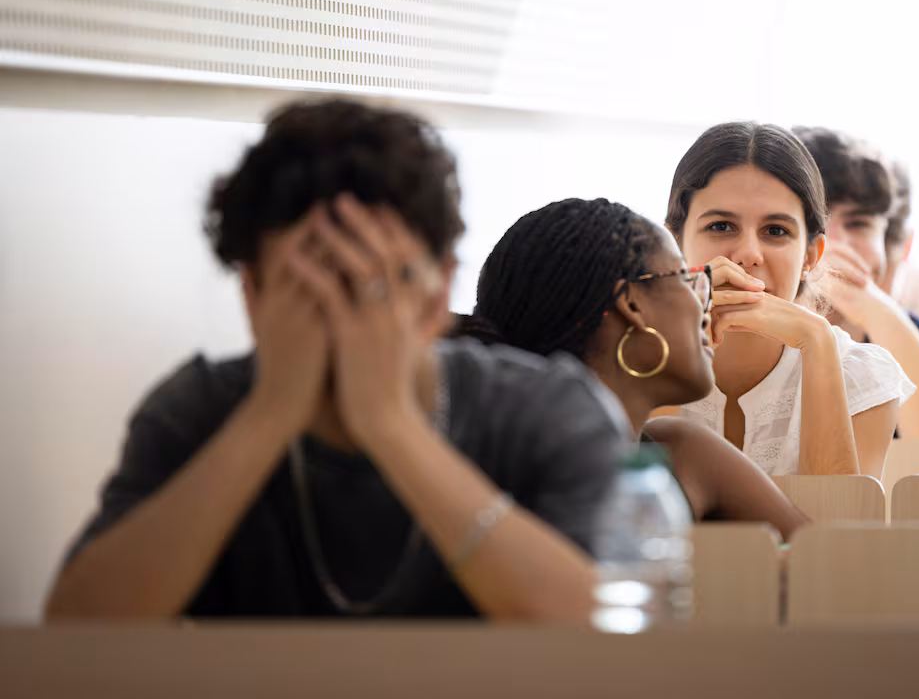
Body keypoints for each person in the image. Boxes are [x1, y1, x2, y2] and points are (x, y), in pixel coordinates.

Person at [45, 99, 624, 622]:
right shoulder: (200, 410)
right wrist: (268, 415)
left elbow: (601, 634)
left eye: (376, 283)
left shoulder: (547, 410)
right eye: (310, 284)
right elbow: (76, 634)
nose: (345, 313)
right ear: (253, 294)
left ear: (439, 290)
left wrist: (390, 425)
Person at [462, 198, 808, 538]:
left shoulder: (686, 451)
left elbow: (828, 566)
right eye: (689, 281)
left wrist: (816, 340)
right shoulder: (677, 457)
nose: (706, 305)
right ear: (631, 304)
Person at [660, 122, 915, 480]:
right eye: (721, 226)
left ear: (811, 255)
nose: (749, 254)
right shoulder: (633, 352)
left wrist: (817, 342)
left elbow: (836, 531)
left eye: (775, 231)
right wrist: (673, 327)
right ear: (674, 244)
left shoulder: (862, 376)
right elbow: (634, 508)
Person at [793, 126, 919, 445]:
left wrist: (875, 311)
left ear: (890, 246)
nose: (834, 245)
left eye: (858, 224)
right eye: (813, 224)